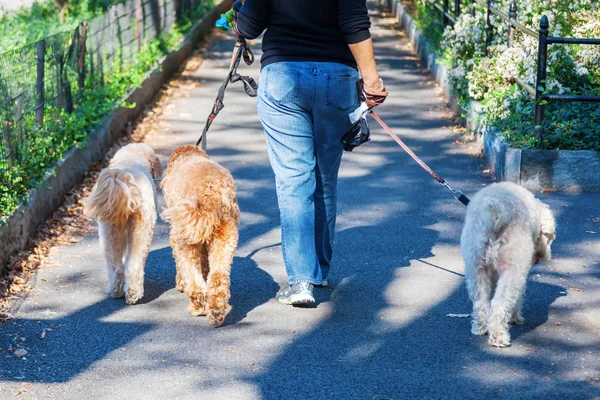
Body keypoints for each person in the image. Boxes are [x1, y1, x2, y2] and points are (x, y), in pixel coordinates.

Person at [235, 0, 388, 305]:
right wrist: (371, 79)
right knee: (324, 176)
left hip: (283, 77)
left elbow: (249, 27)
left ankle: (301, 281)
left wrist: (237, 13)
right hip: (337, 78)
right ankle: (318, 271)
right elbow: (354, 21)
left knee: (295, 179)